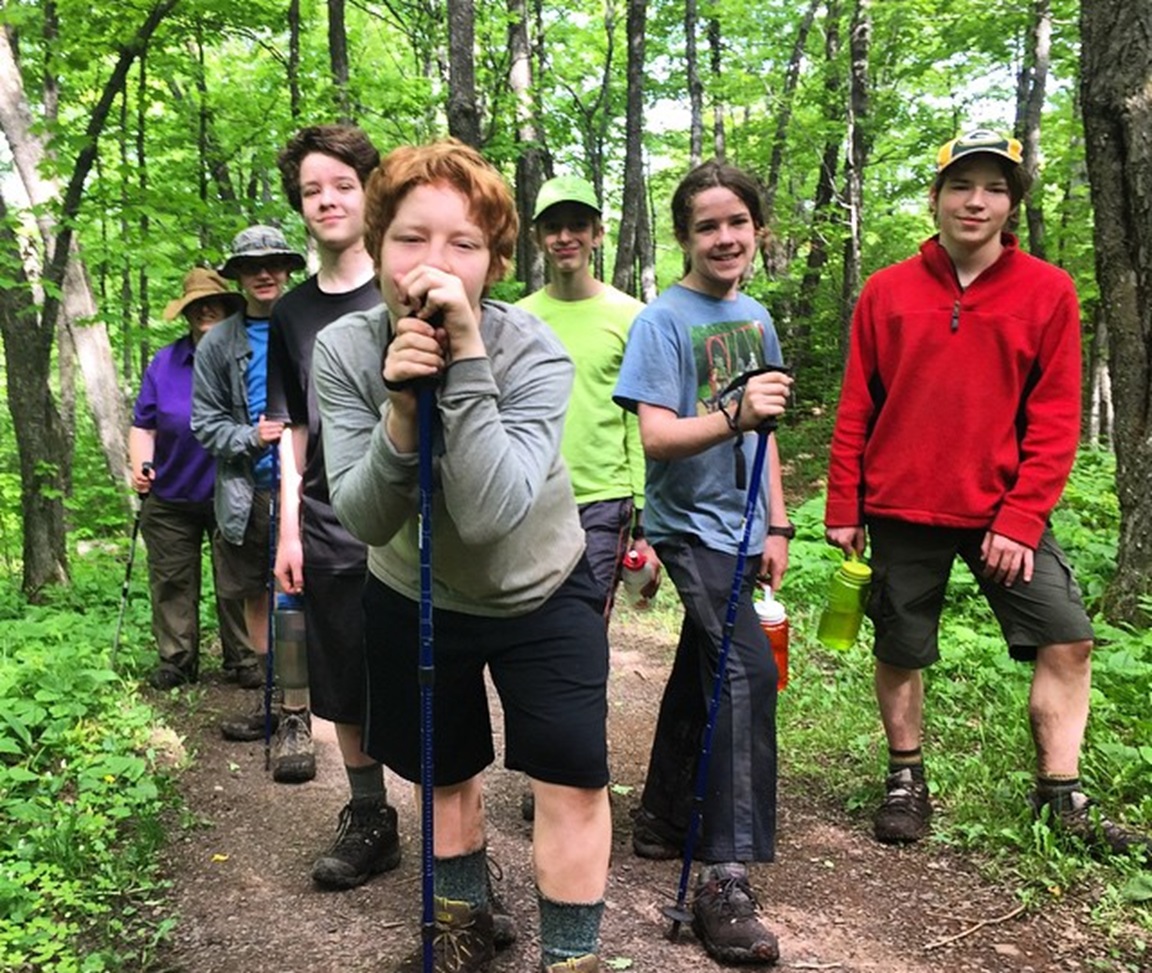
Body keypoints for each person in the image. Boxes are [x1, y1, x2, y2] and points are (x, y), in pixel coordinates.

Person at [313, 138, 611, 973]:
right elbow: (366, 516)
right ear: (376, 244)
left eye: (464, 244)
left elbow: (486, 516)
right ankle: (462, 940)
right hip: (410, 591)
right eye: (411, 237)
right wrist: (402, 416)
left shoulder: (535, 352)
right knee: (444, 775)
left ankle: (572, 961)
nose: (433, 265)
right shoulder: (342, 351)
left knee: (572, 779)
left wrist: (467, 358)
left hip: (539, 589)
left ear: (495, 263)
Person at [823, 129, 1150, 858]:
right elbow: (856, 407)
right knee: (902, 644)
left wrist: (1022, 515)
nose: (977, 200)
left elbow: (1058, 413)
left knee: (1067, 635)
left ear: (1012, 203)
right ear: (935, 197)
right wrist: (843, 504)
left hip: (1003, 510)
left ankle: (1060, 793)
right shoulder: (887, 292)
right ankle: (906, 777)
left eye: (995, 187)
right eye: (962, 185)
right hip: (902, 503)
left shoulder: (1048, 291)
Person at [613, 160, 794, 966]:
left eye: (737, 223)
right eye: (707, 225)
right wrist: (731, 411)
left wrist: (778, 523)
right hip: (689, 525)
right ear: (686, 237)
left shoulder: (756, 316)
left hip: (745, 525)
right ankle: (723, 873)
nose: (725, 237)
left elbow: (769, 429)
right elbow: (655, 436)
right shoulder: (663, 320)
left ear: (757, 230)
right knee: (747, 674)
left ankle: (660, 815)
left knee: (706, 664)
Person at [265, 124, 402, 889]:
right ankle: (369, 814)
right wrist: (290, 524)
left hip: (413, 516)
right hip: (329, 516)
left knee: (428, 670)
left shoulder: (403, 281)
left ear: (368, 192)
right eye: (313, 189)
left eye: (342, 185)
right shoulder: (289, 314)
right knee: (342, 671)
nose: (327, 200)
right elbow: (297, 426)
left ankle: (460, 839)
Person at [191, 225, 306, 779]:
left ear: (288, 268)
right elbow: (204, 423)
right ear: (237, 275)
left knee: (302, 596)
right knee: (256, 600)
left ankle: (300, 709)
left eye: (276, 263)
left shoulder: (308, 324)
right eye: (253, 265)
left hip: (308, 487)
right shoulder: (218, 343)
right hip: (245, 491)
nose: (265, 273)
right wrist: (250, 437)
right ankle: (279, 702)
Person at [517, 174, 658, 616]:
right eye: (553, 227)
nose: (565, 237)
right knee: (531, 624)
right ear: (536, 235)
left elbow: (640, 422)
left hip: (603, 500)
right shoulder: (518, 319)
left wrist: (644, 520)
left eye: (578, 225)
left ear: (597, 234)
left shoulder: (632, 317)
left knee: (583, 623)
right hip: (531, 496)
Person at [130, 267, 256, 690]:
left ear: (227, 309)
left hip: (232, 491)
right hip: (170, 493)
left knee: (236, 580)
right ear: (186, 314)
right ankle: (177, 660)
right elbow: (143, 424)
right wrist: (141, 465)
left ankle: (244, 659)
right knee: (171, 579)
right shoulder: (164, 362)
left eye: (213, 304)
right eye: (196, 305)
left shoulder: (245, 356)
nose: (205, 310)